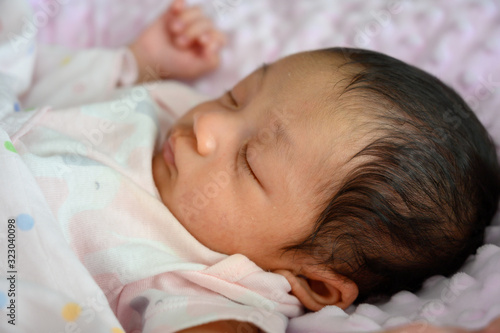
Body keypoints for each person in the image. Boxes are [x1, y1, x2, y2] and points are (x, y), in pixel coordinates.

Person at [3, 0, 499, 332]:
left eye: (249, 163)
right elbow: (52, 99)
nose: (208, 125)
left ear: (314, 282)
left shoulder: (208, 281)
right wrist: (140, 62)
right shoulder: (170, 109)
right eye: (237, 95)